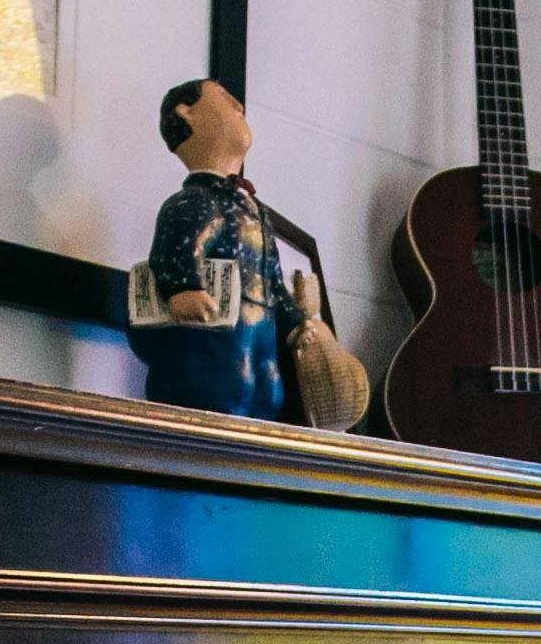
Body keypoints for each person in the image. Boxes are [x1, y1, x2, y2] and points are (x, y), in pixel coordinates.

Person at [135, 77, 369, 429]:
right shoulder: (193, 201)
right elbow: (174, 252)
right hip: (210, 378)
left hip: (262, 371)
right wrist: (182, 288)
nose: (239, 106)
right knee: (220, 393)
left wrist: (296, 323)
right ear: (186, 113)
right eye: (224, 98)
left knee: (261, 400)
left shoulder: (255, 211)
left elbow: (272, 283)